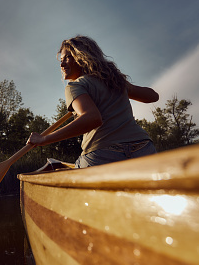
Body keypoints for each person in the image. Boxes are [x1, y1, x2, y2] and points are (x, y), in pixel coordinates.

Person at [27, 35, 159, 168]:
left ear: (82, 56)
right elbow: (153, 96)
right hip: (144, 149)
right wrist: (124, 87)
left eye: (67, 57)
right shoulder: (115, 81)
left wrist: (44, 139)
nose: (62, 64)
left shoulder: (75, 86)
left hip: (104, 155)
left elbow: (92, 118)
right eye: (61, 60)